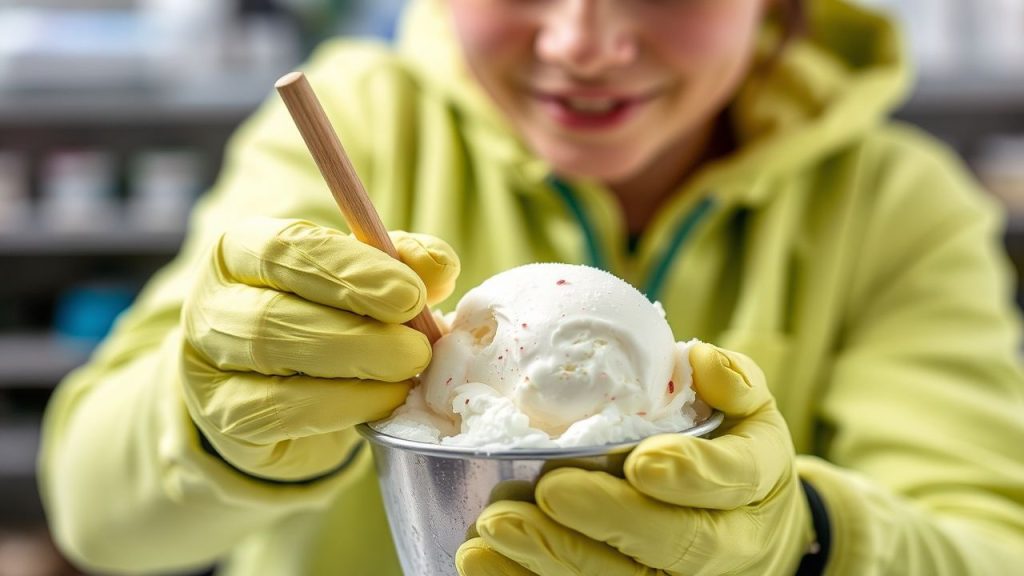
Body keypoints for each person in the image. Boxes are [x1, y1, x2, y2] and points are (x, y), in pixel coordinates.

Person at [38, 0, 1024, 574]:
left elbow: (987, 546)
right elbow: (95, 513)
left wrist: (801, 542)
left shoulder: (891, 204)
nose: (582, 43)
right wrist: (220, 418)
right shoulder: (364, 124)